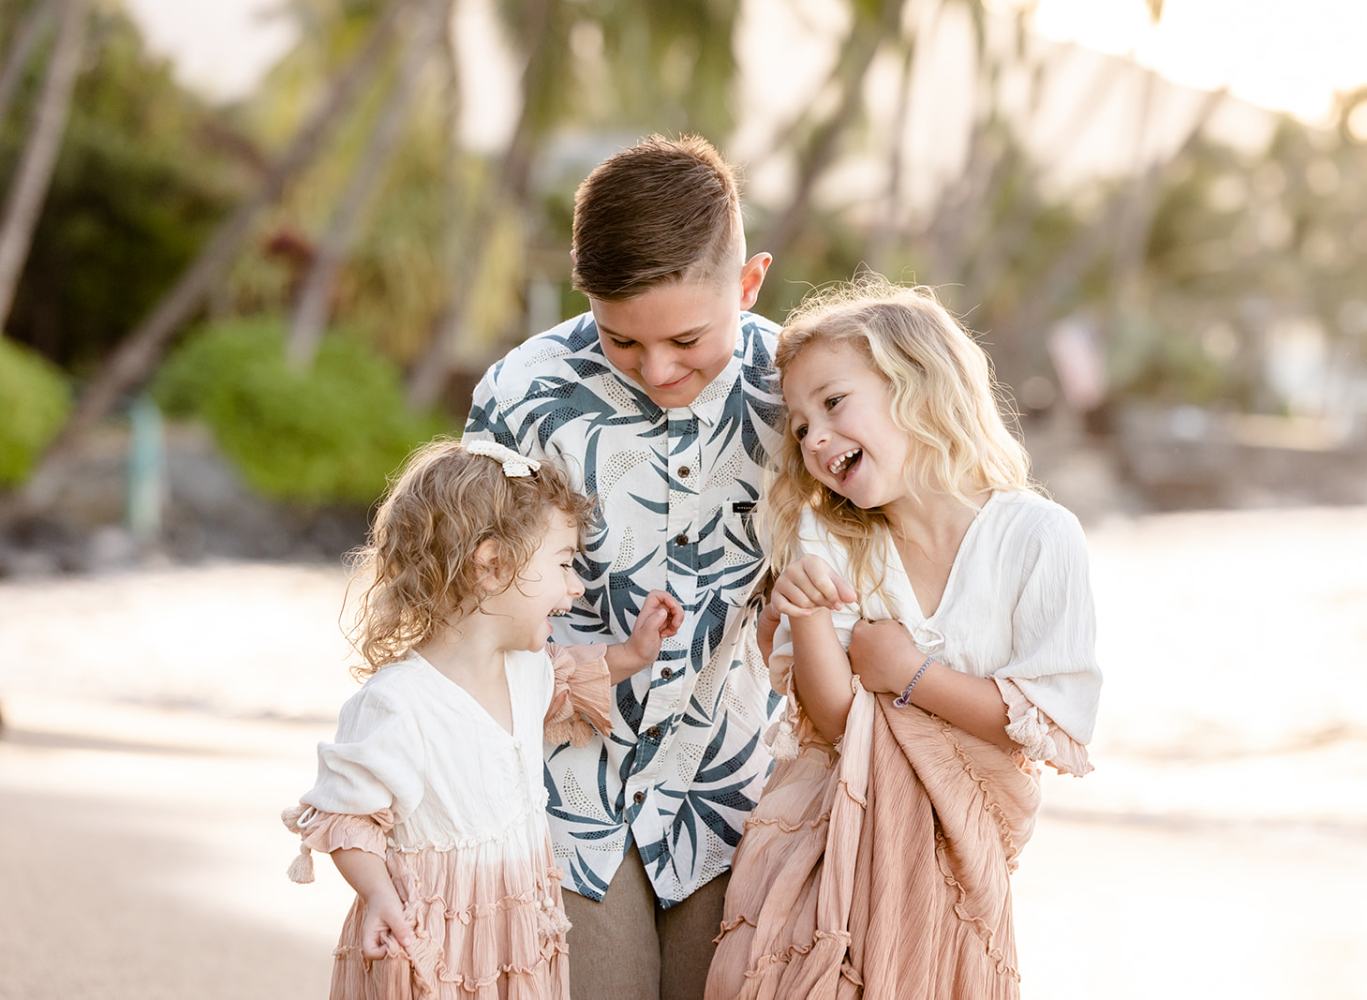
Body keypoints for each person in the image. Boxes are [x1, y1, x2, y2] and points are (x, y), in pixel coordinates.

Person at [706, 277, 1103, 999]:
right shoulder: (828, 535)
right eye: (798, 426)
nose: (814, 438)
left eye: (832, 403)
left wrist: (908, 672)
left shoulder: (1036, 537)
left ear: (917, 384)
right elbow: (832, 722)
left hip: (956, 863)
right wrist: (800, 610)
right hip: (821, 852)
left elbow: (1045, 724)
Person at [462, 134, 782, 1000]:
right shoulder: (523, 394)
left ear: (748, 285)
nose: (658, 368)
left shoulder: (804, 388)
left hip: (739, 791)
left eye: (686, 338)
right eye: (621, 341)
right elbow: (466, 607)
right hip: (561, 789)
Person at [282, 438, 683, 999]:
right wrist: (377, 896)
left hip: (513, 935)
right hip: (431, 943)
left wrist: (634, 655)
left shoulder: (525, 671)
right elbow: (353, 819)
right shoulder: (401, 702)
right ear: (493, 567)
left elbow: (566, 675)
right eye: (564, 564)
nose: (576, 586)